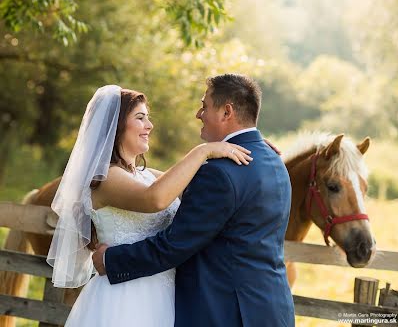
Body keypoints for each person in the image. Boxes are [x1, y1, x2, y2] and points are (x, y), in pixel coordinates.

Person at [93, 74, 295, 327]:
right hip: (271, 309)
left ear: (226, 112)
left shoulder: (219, 172)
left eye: (205, 106)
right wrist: (205, 153)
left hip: (227, 313)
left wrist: (112, 261)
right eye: (140, 117)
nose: (199, 114)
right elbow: (169, 186)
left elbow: (174, 244)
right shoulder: (273, 159)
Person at [47, 84, 252, 327]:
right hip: (124, 300)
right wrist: (203, 151)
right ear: (117, 125)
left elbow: (205, 186)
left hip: (165, 297)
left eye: (148, 118)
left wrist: (250, 148)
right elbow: (154, 199)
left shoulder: (147, 175)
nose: (149, 126)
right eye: (140, 118)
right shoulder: (105, 179)